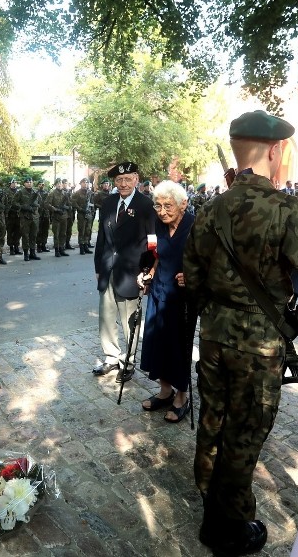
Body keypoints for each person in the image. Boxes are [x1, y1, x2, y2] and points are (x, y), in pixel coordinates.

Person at [184, 111, 298, 555]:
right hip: (260, 343)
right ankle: (230, 527)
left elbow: (192, 279)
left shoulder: (210, 209)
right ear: (275, 150)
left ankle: (209, 508)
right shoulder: (284, 210)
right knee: (245, 430)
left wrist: (214, 313)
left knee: (213, 424)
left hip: (214, 336)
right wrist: (296, 323)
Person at [92, 161, 158, 383]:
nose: (123, 184)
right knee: (106, 317)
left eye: (127, 179)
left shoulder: (146, 206)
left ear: (136, 180)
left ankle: (127, 362)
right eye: (119, 180)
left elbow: (152, 243)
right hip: (108, 269)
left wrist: (147, 271)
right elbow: (101, 238)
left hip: (132, 273)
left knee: (130, 321)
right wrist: (97, 268)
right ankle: (111, 356)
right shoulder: (109, 203)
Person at [138, 181, 195, 423]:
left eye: (167, 205)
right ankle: (165, 391)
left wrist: (193, 275)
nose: (162, 211)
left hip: (182, 297)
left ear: (183, 204)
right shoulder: (157, 226)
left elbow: (209, 259)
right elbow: (156, 254)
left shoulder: (195, 226)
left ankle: (182, 396)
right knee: (158, 342)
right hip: (159, 291)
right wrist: (148, 272)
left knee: (179, 346)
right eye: (158, 205)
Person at [12, 176, 42, 261]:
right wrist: (23, 207)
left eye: (31, 182)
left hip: (35, 217)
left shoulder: (35, 192)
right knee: (25, 236)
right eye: (27, 182)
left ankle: (32, 253)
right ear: (24, 183)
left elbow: (40, 202)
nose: (29, 183)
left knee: (34, 235)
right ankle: (26, 254)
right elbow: (14, 203)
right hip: (25, 217)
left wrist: (36, 206)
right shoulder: (20, 192)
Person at [71, 178, 94, 255]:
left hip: (89, 214)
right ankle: (81, 247)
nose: (85, 184)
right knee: (82, 230)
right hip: (81, 214)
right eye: (83, 182)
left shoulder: (90, 193)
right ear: (81, 184)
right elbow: (73, 203)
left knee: (88, 230)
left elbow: (93, 203)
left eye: (87, 183)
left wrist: (92, 211)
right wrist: (80, 209)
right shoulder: (77, 193)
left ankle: (86, 245)